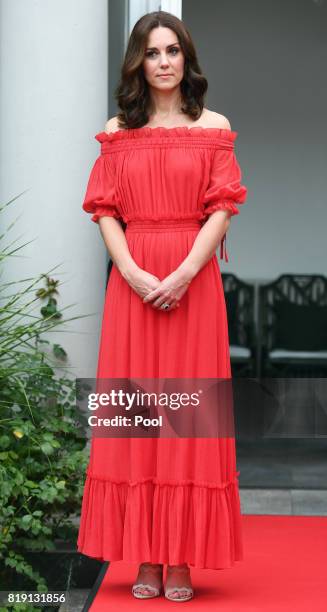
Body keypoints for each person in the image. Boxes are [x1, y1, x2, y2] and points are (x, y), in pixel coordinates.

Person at [77, 10, 247, 603]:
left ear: (187, 58)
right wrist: (128, 270)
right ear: (138, 63)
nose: (165, 62)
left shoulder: (215, 127)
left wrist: (181, 273)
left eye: (173, 50)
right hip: (134, 286)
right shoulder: (117, 131)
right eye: (153, 53)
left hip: (192, 285)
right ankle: (147, 556)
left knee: (188, 421)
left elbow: (223, 207)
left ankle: (181, 560)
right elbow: (104, 208)